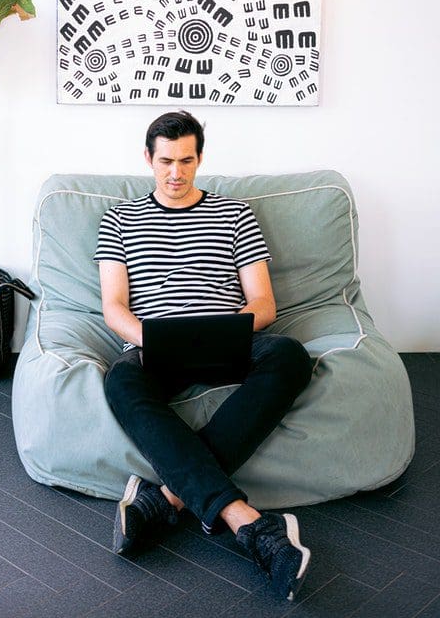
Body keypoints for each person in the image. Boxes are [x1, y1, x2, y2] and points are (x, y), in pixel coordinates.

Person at [94, 110, 314, 602]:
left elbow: (263, 303)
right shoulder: (118, 219)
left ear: (199, 159)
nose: (176, 172)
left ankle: (166, 498)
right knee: (120, 380)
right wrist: (155, 339)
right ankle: (251, 525)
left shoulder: (235, 214)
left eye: (187, 160)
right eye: (166, 160)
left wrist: (225, 328)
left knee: (291, 356)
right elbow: (114, 309)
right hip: (155, 345)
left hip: (224, 340)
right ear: (148, 159)